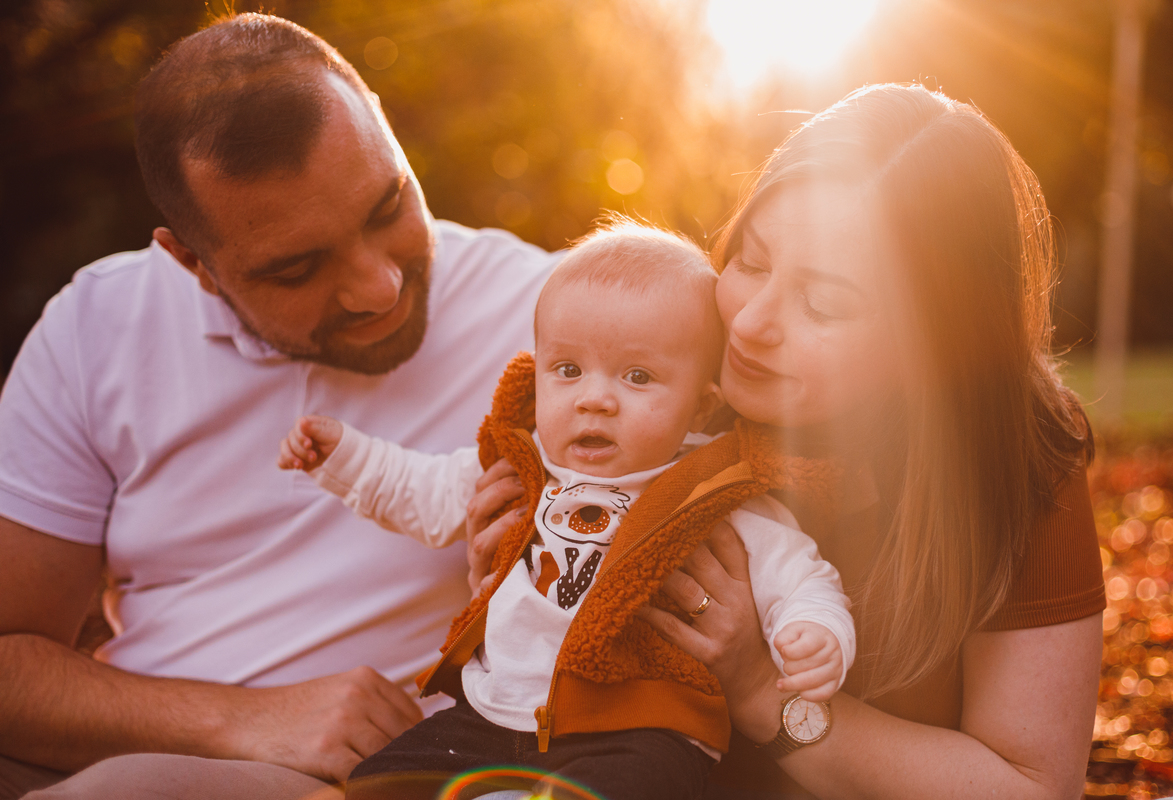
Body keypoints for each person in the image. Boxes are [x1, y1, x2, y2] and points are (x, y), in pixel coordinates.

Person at [0, 13, 556, 800]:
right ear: (193, 262)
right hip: (114, 754)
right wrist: (242, 720)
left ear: (387, 133)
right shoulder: (97, 326)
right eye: (298, 269)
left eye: (386, 207)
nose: (380, 287)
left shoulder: (551, 313)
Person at [621, 84, 1105, 798]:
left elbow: (1032, 787)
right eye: (751, 263)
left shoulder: (1018, 460)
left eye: (822, 303)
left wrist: (762, 690)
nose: (752, 322)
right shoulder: (663, 393)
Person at [278, 222, 856, 800]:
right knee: (376, 784)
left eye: (638, 377)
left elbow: (799, 575)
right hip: (491, 713)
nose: (594, 399)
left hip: (639, 728)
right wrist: (342, 454)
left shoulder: (715, 490)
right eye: (568, 370)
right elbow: (419, 490)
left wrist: (814, 630)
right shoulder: (525, 464)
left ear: (701, 407)